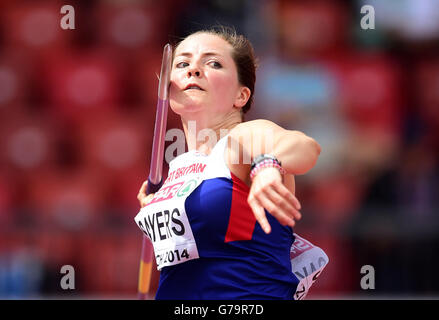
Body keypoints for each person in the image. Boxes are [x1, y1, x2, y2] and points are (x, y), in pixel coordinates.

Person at [135, 26, 325, 300]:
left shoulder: (239, 140)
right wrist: (157, 207)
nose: (194, 69)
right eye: (183, 63)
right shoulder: (177, 171)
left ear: (241, 95)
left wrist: (268, 165)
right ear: (168, 87)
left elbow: (304, 146)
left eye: (213, 63)